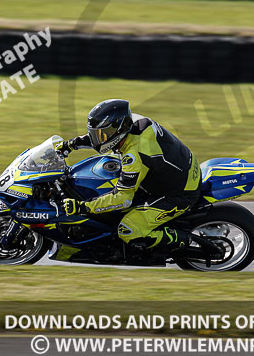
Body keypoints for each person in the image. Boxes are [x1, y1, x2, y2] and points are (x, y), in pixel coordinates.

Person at [56, 99, 211, 255]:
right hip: (177, 170)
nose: (98, 139)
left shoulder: (134, 155)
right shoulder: (134, 121)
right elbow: (105, 139)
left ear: (120, 127)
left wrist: (83, 207)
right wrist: (71, 144)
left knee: (128, 229)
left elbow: (122, 198)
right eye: (96, 134)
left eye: (102, 134)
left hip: (179, 193)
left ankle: (183, 240)